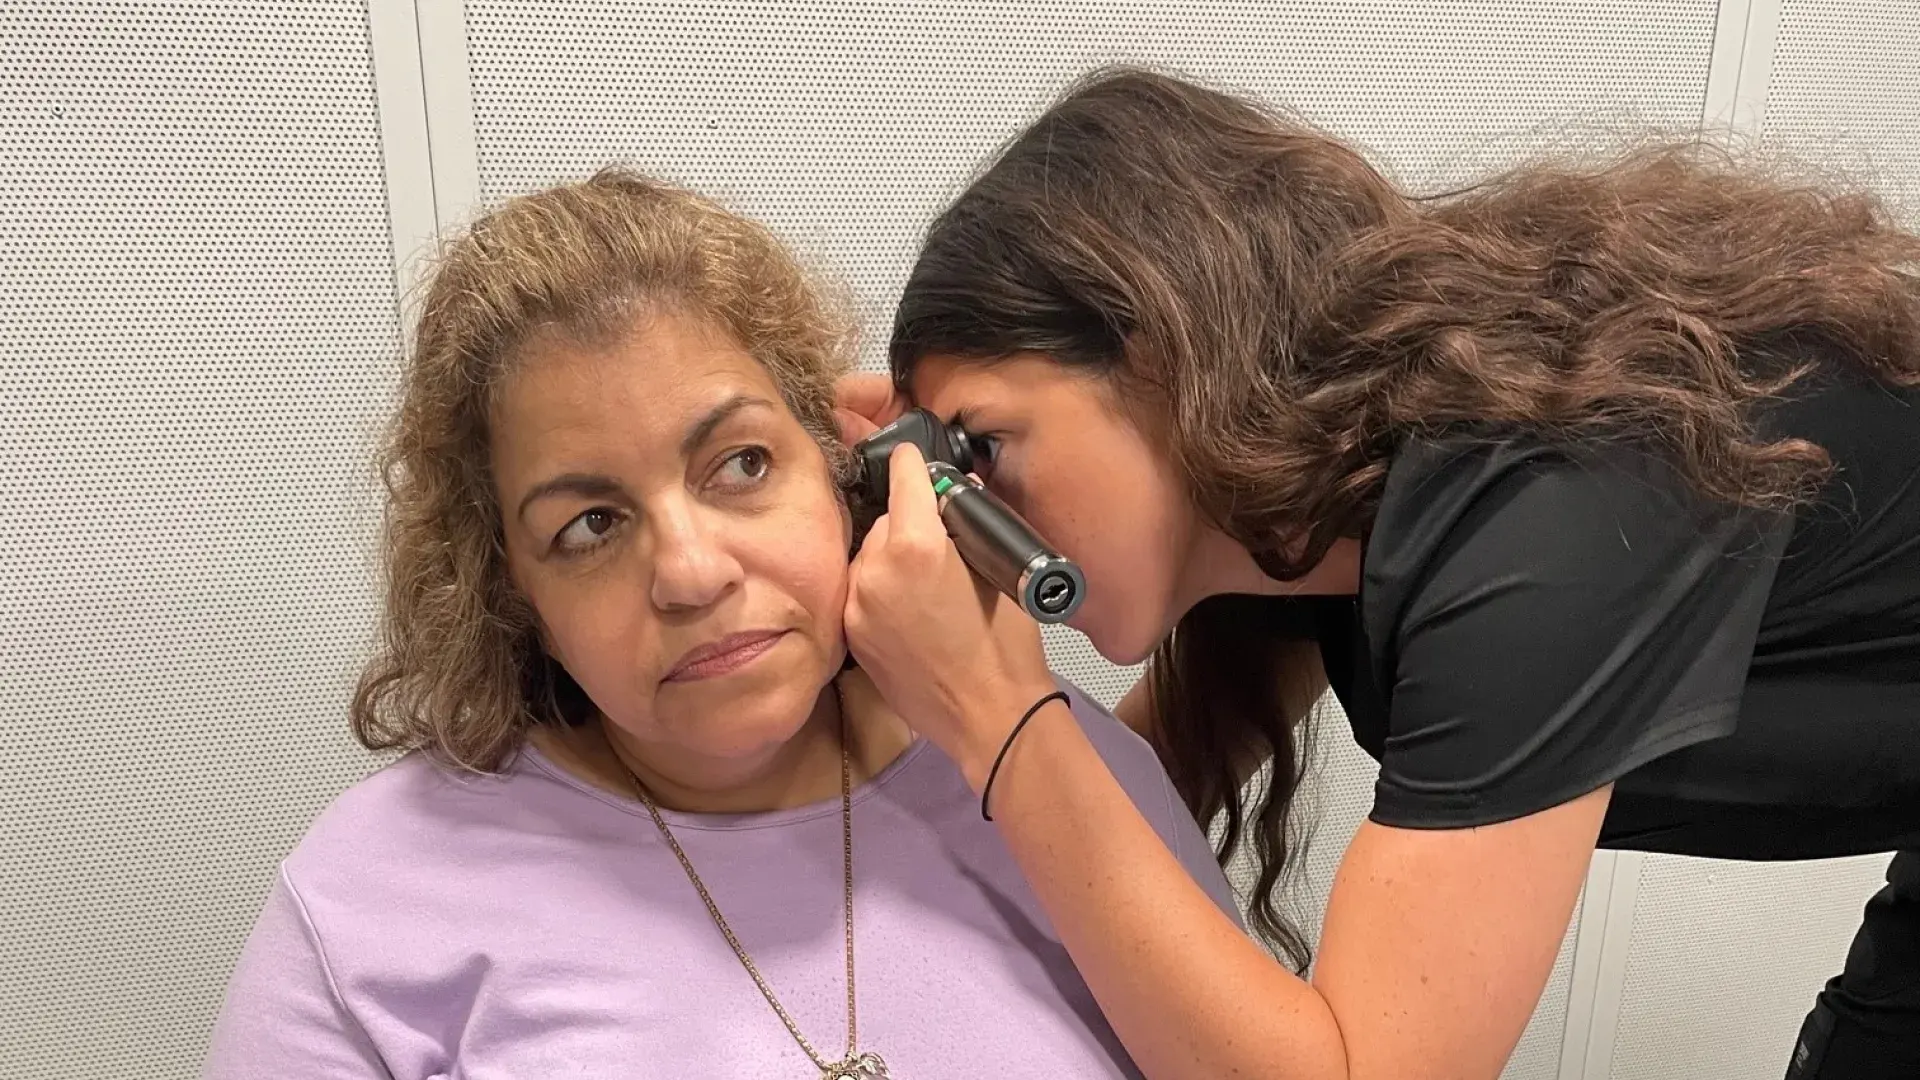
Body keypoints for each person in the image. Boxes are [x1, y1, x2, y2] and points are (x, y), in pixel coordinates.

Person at [835, 68, 1920, 1080]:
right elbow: (1128, 815)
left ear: (1159, 350)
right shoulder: (1306, 517)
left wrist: (998, 708)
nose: (981, 524)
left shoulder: (1554, 492)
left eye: (983, 449)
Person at [202, 168, 1242, 1079]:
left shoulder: (1057, 776)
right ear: (510, 587)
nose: (692, 574)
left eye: (741, 465)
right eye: (590, 526)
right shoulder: (366, 906)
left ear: (841, 467)